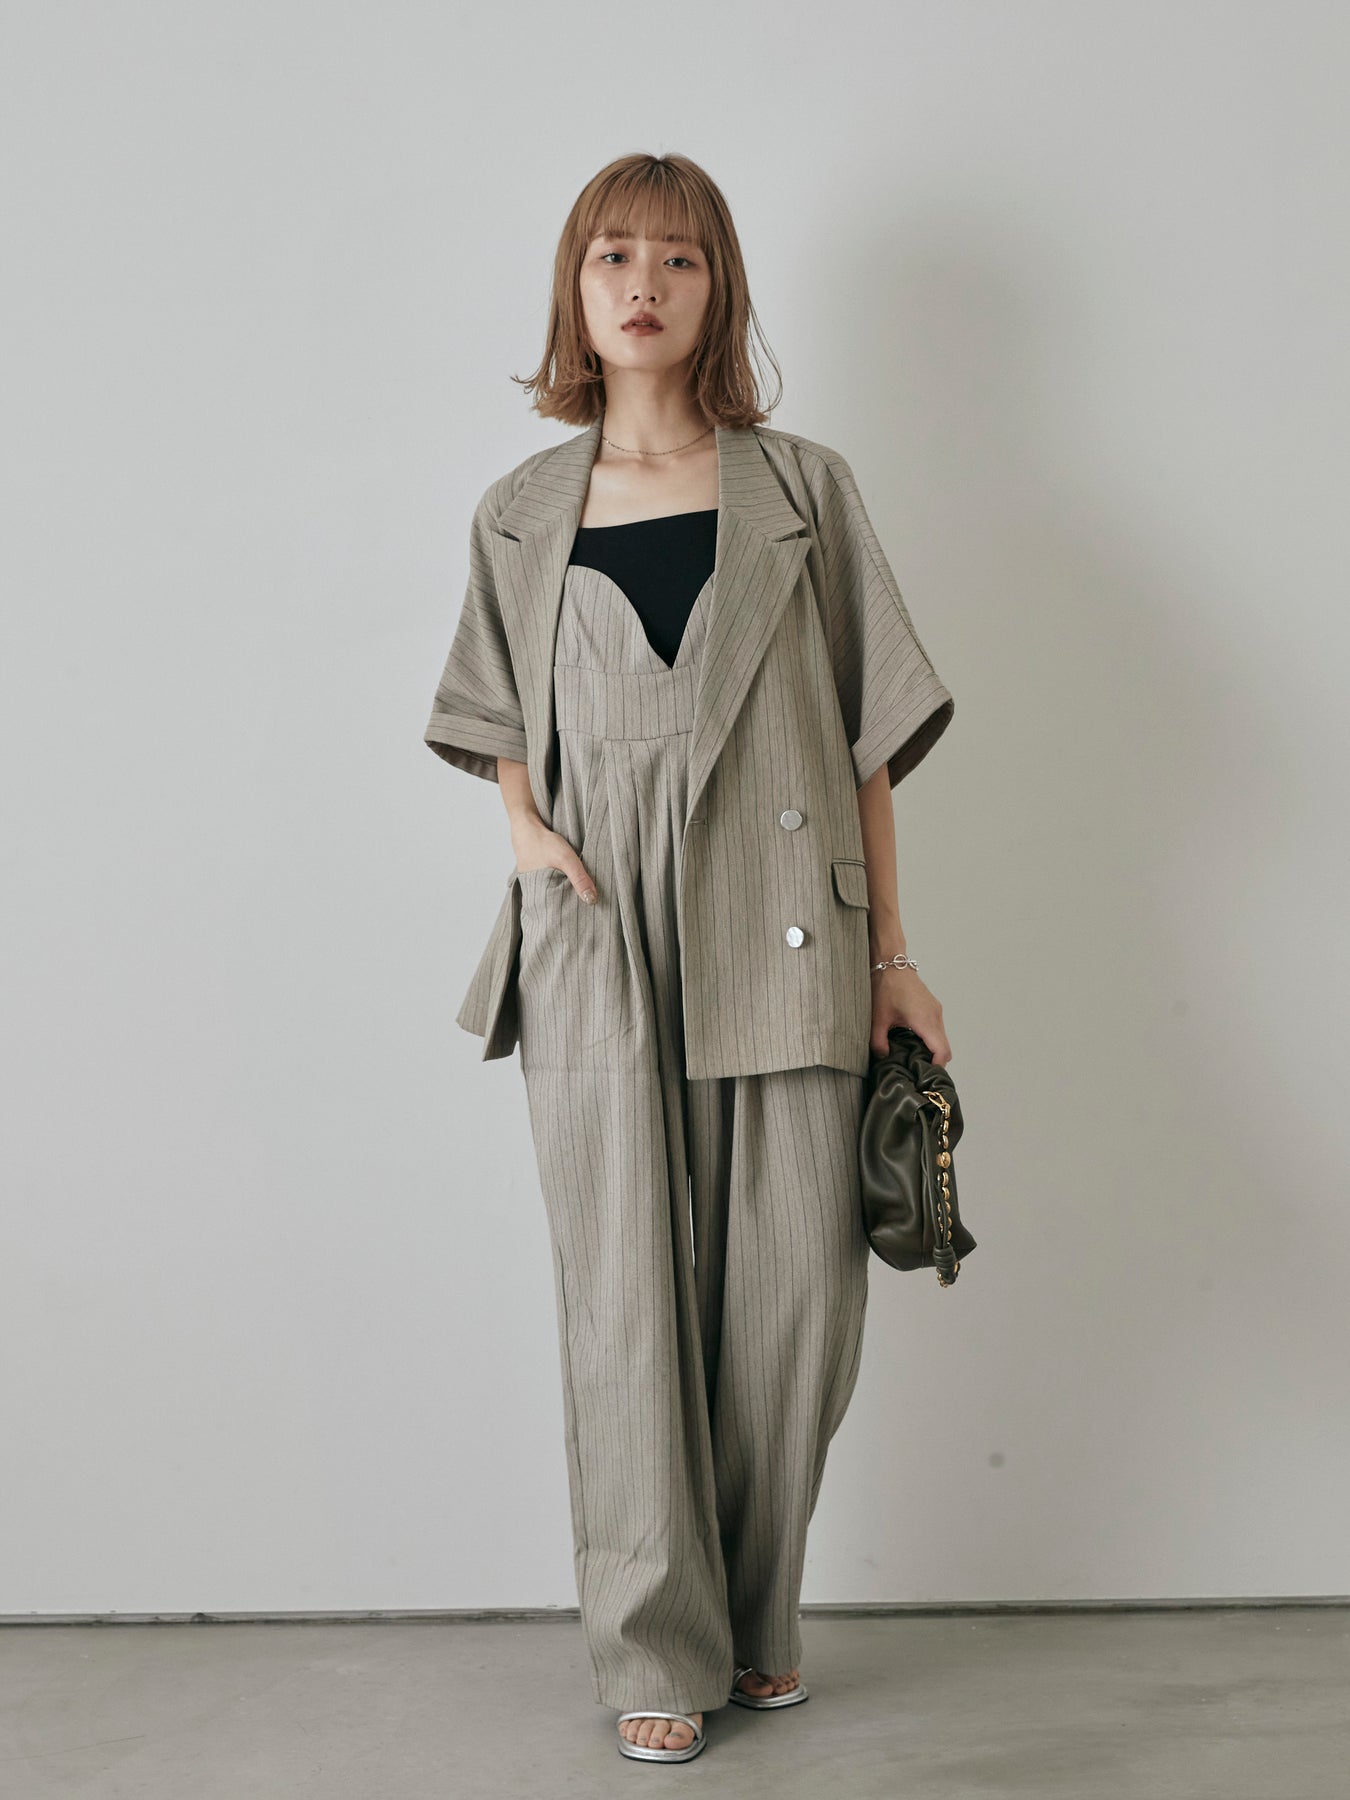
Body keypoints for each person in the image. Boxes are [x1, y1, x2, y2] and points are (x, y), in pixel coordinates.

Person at [424, 151, 954, 1764]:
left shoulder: (802, 490)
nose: (642, 285)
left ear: (718, 289)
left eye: (677, 257)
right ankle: (657, 1645)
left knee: (793, 1304)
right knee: (624, 1307)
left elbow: (864, 743)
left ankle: (756, 1615)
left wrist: (895, 957)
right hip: (600, 932)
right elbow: (494, 713)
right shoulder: (522, 511)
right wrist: (526, 838)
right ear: (575, 288)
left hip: (789, 922)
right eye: (612, 256)